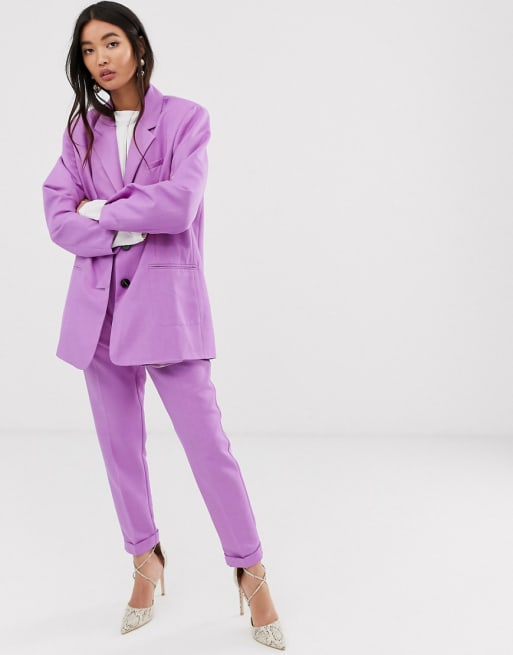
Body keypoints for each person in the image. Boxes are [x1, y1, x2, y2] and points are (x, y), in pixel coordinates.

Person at [42, 2, 285, 650]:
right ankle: (145, 560)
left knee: (208, 446)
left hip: (166, 309)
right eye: (88, 49)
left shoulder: (185, 119)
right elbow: (57, 216)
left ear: (138, 45)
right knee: (120, 449)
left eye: (111, 42)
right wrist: (123, 223)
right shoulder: (81, 133)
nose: (101, 58)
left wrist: (101, 211)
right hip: (98, 313)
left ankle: (251, 570)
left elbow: (178, 205)